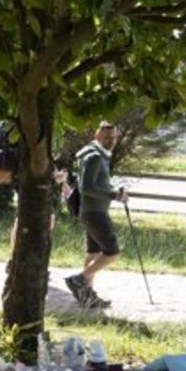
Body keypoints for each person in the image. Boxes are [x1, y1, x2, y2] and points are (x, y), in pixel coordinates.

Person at [65, 120, 128, 309]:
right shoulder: (94, 157)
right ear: (96, 135)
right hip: (94, 212)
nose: (111, 140)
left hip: (91, 211)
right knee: (112, 252)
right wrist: (113, 194)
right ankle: (80, 280)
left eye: (114, 137)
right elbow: (87, 187)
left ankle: (87, 296)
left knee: (94, 253)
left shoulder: (97, 155)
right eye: (107, 136)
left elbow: (96, 184)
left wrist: (115, 191)